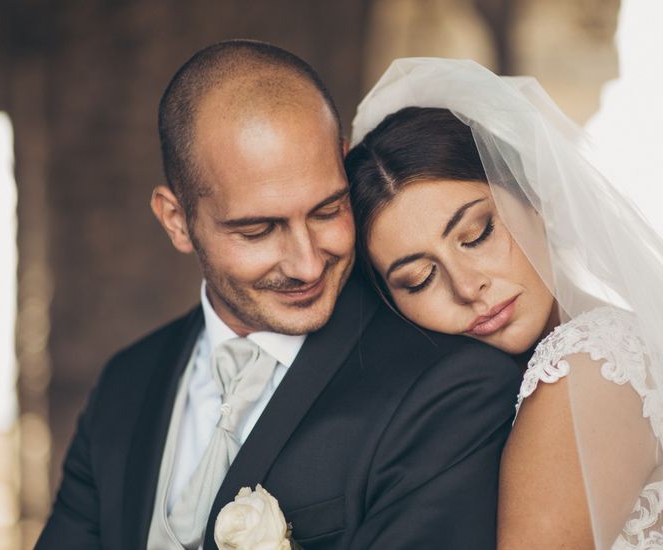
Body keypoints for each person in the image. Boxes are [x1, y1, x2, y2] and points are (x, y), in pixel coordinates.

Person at [345, 58, 663, 549]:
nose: (466, 285)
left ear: (534, 196)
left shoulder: (589, 365)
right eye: (419, 278)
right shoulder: (634, 348)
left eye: (476, 234)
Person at [35, 43, 520, 550]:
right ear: (177, 221)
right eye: (258, 230)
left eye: (327, 210)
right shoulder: (125, 383)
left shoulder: (453, 386)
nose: (307, 263)